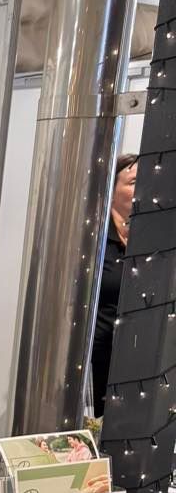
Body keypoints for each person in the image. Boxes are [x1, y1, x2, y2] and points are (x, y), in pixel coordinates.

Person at [91, 153, 137, 417]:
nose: (141, 186)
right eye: (132, 181)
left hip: (138, 362)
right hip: (98, 363)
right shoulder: (96, 238)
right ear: (112, 187)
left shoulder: (155, 237)